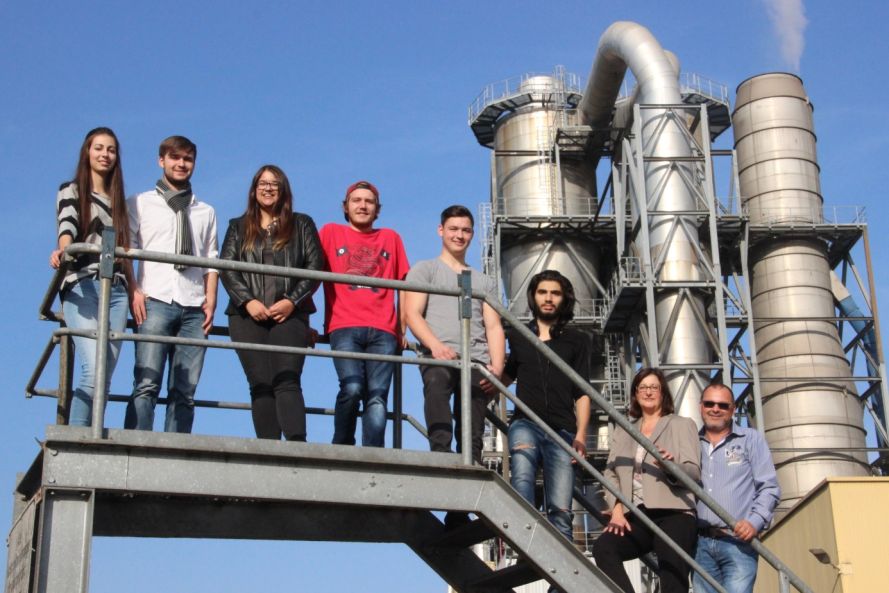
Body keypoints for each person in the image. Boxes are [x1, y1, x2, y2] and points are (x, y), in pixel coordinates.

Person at [220, 165, 324, 441]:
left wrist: (291, 300)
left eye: (274, 184)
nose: (268, 188)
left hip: (290, 315)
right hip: (246, 316)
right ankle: (267, 449)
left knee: (287, 379)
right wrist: (247, 301)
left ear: (283, 190)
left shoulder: (302, 224)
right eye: (263, 183)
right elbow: (227, 268)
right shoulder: (237, 226)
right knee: (260, 384)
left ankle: (296, 447)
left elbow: (315, 266)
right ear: (254, 190)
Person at [124, 136, 218, 433]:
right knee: (146, 383)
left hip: (193, 306)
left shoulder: (205, 211)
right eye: (175, 157)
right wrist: (133, 290)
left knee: (185, 390)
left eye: (187, 159)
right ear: (161, 160)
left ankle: (176, 450)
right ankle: (135, 446)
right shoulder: (140, 203)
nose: (181, 164)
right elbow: (126, 250)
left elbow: (211, 259)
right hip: (155, 300)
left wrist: (211, 299)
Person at [404, 205, 505, 465]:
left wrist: (497, 369)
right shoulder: (425, 269)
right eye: (453, 229)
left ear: (471, 234)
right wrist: (435, 346)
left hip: (476, 358)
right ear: (441, 231)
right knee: (437, 385)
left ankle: (470, 464)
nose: (459, 235)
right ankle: (441, 453)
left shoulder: (483, 281)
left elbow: (493, 326)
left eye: (465, 230)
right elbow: (413, 314)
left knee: (472, 416)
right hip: (439, 354)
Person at [50, 127, 133, 427]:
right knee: (93, 369)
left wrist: (134, 289)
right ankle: (79, 438)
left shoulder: (121, 203)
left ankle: (91, 432)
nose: (105, 155)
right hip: (82, 283)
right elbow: (67, 224)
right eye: (99, 148)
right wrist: (64, 249)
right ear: (87, 152)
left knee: (105, 374)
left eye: (111, 150)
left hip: (117, 290)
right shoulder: (71, 190)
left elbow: (127, 250)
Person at [501, 270, 591, 543]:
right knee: (523, 481)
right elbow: (506, 375)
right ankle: (526, 549)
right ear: (533, 296)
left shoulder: (578, 340)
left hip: (563, 430)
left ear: (564, 299)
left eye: (555, 293)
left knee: (561, 510)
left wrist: (581, 436)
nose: (548, 298)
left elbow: (583, 392)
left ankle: (557, 585)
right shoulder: (517, 336)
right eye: (543, 292)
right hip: (525, 422)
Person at [593, 368, 700, 593]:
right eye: (643, 387)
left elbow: (693, 472)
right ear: (635, 393)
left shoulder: (682, 424)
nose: (648, 392)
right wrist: (617, 509)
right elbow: (611, 473)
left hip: (674, 512)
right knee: (604, 548)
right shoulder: (624, 431)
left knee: (671, 568)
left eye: (654, 387)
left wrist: (670, 467)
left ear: (663, 393)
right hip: (636, 513)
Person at [319, 180, 410, 447]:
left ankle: (373, 453)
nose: (363, 205)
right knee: (352, 387)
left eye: (369, 201)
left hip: (384, 329)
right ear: (345, 207)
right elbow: (309, 274)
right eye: (357, 200)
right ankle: (343, 444)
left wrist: (402, 328)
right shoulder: (330, 232)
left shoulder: (391, 238)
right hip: (344, 324)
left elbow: (404, 285)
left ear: (377, 209)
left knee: (378, 396)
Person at [693, 382, 779, 593]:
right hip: (700, 543)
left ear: (732, 410)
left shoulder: (750, 439)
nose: (715, 409)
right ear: (700, 406)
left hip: (738, 542)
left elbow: (769, 487)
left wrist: (754, 522)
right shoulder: (692, 442)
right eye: (709, 403)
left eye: (723, 405)